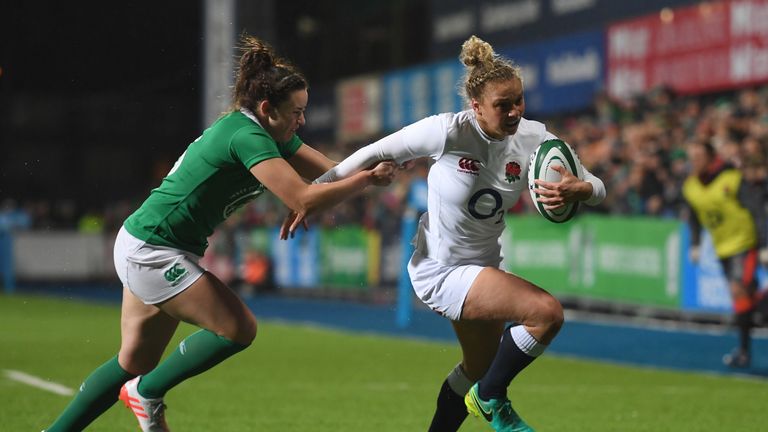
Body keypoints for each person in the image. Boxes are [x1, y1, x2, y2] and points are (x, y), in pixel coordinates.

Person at [43, 35, 396, 432]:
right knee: (237, 328)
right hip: (153, 249)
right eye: (296, 112)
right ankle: (146, 393)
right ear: (266, 109)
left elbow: (331, 172)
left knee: (133, 362)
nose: (302, 121)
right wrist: (364, 179)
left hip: (153, 243)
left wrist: (373, 168)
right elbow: (304, 196)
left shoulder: (272, 135)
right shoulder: (246, 136)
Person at [302, 35, 606, 432]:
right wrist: (313, 193)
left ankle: (470, 402)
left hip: (483, 267)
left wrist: (582, 188)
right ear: (476, 106)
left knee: (477, 367)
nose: (515, 111)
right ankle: (491, 399)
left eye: (519, 100)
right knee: (545, 314)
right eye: (503, 104)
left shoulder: (535, 138)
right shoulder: (446, 132)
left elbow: (595, 186)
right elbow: (369, 154)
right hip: (441, 269)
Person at [683, 140, 768, 368]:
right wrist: (695, 244)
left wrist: (764, 245)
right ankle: (744, 351)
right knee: (744, 301)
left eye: (699, 157)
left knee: (739, 290)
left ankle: (743, 351)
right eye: (692, 158)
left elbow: (757, 210)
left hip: (744, 242)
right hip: (722, 248)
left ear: (711, 157)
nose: (695, 162)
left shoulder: (732, 179)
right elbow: (693, 217)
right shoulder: (690, 186)